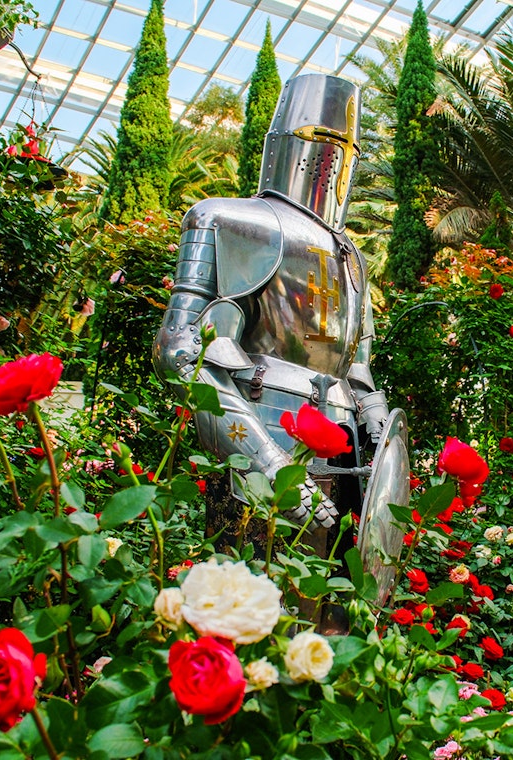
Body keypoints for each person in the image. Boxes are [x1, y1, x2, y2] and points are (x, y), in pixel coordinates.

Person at [153, 73, 397, 546]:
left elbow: (358, 369)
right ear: (284, 144)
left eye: (343, 147)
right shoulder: (229, 221)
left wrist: (381, 436)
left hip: (348, 455)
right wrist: (269, 460)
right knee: (251, 595)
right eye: (317, 141)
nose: (331, 158)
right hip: (262, 432)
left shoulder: (353, 257)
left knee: (331, 605)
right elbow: (180, 352)